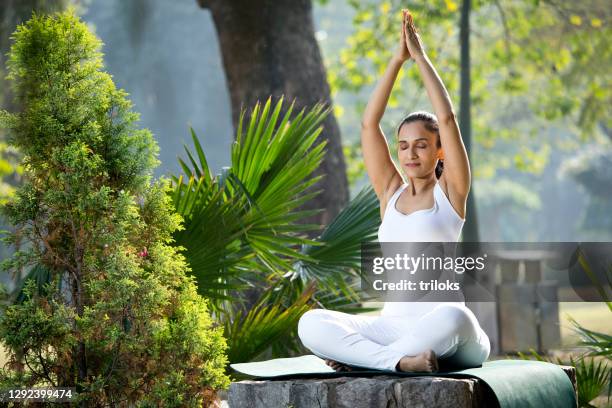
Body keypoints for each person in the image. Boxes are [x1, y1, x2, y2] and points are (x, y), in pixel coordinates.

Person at [297, 9, 490, 373]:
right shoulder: (390, 194)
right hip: (393, 326)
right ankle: (401, 361)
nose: (410, 153)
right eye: (403, 145)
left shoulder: (450, 195)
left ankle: (370, 361)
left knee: (452, 316)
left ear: (439, 151)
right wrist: (395, 60)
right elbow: (369, 124)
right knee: (310, 324)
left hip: (446, 327)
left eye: (421, 145)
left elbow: (446, 118)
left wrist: (419, 57)